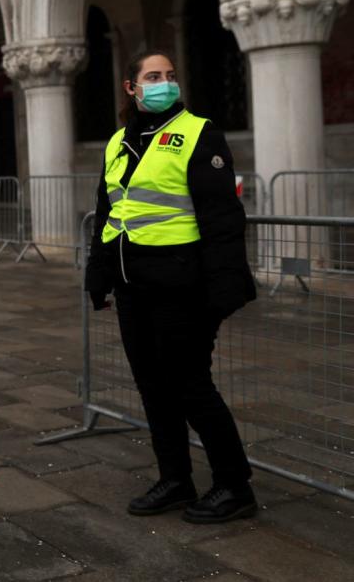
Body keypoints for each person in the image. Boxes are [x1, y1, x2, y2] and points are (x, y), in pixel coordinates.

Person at [86, 50, 257, 524]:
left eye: (170, 75)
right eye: (153, 76)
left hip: (183, 288)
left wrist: (224, 288)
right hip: (131, 286)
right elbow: (108, 213)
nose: (164, 83)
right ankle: (176, 478)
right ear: (131, 88)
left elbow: (223, 219)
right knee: (153, 387)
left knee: (191, 387)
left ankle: (234, 485)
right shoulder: (118, 142)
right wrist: (97, 276)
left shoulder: (200, 133)